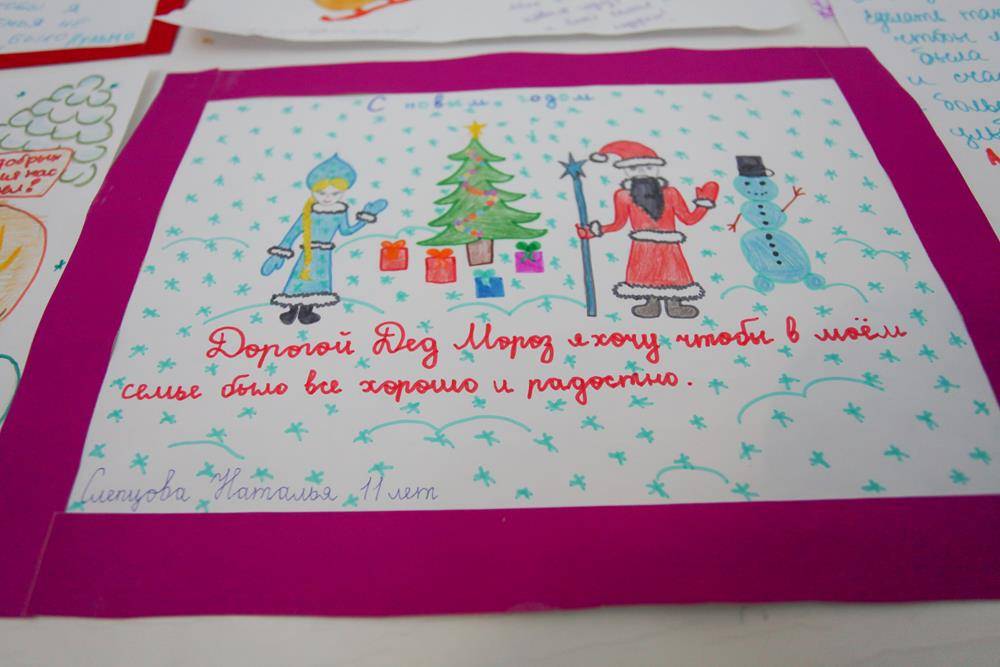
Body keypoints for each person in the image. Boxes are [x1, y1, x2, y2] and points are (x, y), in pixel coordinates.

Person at [579, 140, 718, 319]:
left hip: (668, 246)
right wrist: (594, 231)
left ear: (656, 169)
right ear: (627, 171)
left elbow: (688, 219)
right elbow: (618, 223)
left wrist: (704, 204)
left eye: (648, 167)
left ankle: (674, 304)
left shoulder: (671, 193)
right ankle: (651, 303)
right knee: (645, 275)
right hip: (643, 247)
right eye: (634, 168)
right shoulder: (623, 196)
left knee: (672, 272)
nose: (642, 172)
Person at [260, 154, 386, 325]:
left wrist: (365, 218)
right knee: (299, 280)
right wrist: (281, 251)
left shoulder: (339, 212)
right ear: (313, 192)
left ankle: (306, 312)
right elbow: (293, 232)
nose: (327, 197)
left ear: (343, 193)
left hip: (323, 255)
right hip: (308, 252)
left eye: (335, 193)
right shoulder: (309, 212)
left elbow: (347, 231)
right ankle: (291, 311)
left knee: (318, 283)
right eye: (321, 193)